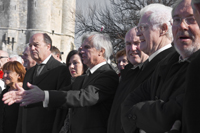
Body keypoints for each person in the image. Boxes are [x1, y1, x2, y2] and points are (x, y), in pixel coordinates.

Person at [3, 32, 119, 133]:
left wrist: (43, 95)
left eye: (87, 47)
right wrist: (30, 95)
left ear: (101, 52)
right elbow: (62, 92)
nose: (81, 51)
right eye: (81, 48)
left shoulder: (107, 74)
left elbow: (84, 96)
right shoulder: (84, 77)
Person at [121, 0, 200, 132]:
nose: (182, 26)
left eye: (190, 19)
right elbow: (128, 104)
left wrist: (139, 116)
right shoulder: (165, 64)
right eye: (176, 20)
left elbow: (171, 115)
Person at [108, 3, 175, 133]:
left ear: (163, 29)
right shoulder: (149, 64)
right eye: (138, 28)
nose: (138, 34)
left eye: (143, 28)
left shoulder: (170, 63)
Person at [8, 33, 71, 133]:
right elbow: (23, 108)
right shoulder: (29, 72)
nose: (32, 48)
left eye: (36, 45)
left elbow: (62, 107)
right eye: (30, 45)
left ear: (48, 46)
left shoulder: (60, 70)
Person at [59, 50, 87, 133]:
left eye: (75, 63)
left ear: (84, 64)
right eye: (69, 64)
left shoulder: (87, 85)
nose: (71, 66)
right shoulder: (68, 83)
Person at [0, 61, 26, 133]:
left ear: (19, 75)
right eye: (4, 73)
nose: (4, 76)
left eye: (8, 73)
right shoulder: (4, 92)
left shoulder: (24, 92)